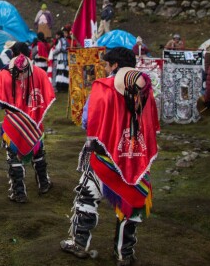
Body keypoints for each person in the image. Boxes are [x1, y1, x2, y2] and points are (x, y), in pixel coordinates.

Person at [61, 47, 158, 264]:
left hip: (104, 156)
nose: (104, 68)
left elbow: (88, 121)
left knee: (87, 197)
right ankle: (124, 253)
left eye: (106, 65)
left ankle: (79, 243)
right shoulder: (146, 89)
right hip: (135, 155)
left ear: (114, 65)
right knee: (132, 202)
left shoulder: (102, 87)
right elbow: (152, 124)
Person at [0, 42, 55, 202]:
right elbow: (49, 94)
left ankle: (19, 192)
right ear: (28, 53)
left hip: (13, 121)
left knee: (13, 157)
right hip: (34, 120)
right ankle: (43, 184)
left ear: (13, 54)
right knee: (38, 153)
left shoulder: (4, 73)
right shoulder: (39, 73)